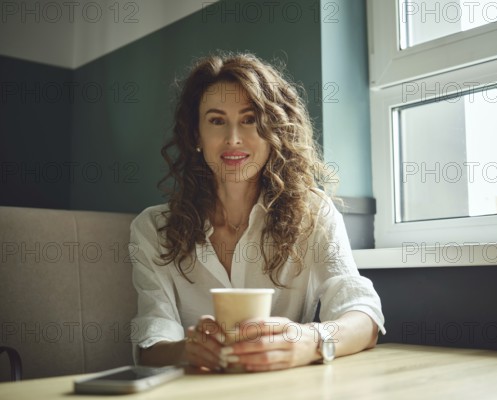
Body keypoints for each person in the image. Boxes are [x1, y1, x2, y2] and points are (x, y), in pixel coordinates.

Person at [130, 52, 385, 372]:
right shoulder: (153, 228)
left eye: (250, 119)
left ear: (272, 129)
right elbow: (150, 346)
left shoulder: (314, 213)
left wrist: (311, 340)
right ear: (197, 134)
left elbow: (364, 317)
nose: (233, 139)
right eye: (217, 120)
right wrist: (187, 350)